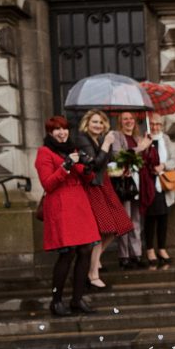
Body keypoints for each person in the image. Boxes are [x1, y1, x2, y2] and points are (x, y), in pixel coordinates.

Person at [35, 116, 101, 316]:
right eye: (57, 130)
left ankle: (77, 299)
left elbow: (87, 177)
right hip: (62, 207)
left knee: (85, 251)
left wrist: (87, 166)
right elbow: (47, 183)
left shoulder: (72, 149)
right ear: (49, 132)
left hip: (79, 206)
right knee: (67, 253)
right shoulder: (44, 152)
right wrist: (65, 166)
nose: (62, 133)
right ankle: (56, 301)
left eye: (64, 129)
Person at [73, 109, 134, 288]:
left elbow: (106, 163)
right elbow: (94, 164)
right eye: (94, 122)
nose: (98, 125)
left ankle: (95, 260)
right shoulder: (82, 139)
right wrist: (107, 144)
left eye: (101, 122)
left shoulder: (99, 139)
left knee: (119, 225)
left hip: (105, 184)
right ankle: (93, 274)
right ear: (87, 123)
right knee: (103, 229)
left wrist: (120, 168)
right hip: (93, 188)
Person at [110, 111, 152, 269]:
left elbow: (144, 161)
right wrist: (139, 148)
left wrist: (147, 146)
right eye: (125, 119)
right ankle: (124, 256)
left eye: (131, 118)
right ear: (120, 122)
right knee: (125, 221)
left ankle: (137, 254)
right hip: (124, 185)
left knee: (136, 220)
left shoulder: (138, 137)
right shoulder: (116, 136)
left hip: (138, 183)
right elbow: (116, 156)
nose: (129, 121)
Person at [138, 113, 175, 269]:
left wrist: (163, 166)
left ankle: (162, 249)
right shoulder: (144, 139)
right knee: (150, 219)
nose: (155, 127)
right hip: (148, 184)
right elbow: (138, 160)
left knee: (163, 218)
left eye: (158, 124)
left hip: (163, 184)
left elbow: (174, 159)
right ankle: (149, 250)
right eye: (152, 124)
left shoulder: (165, 139)